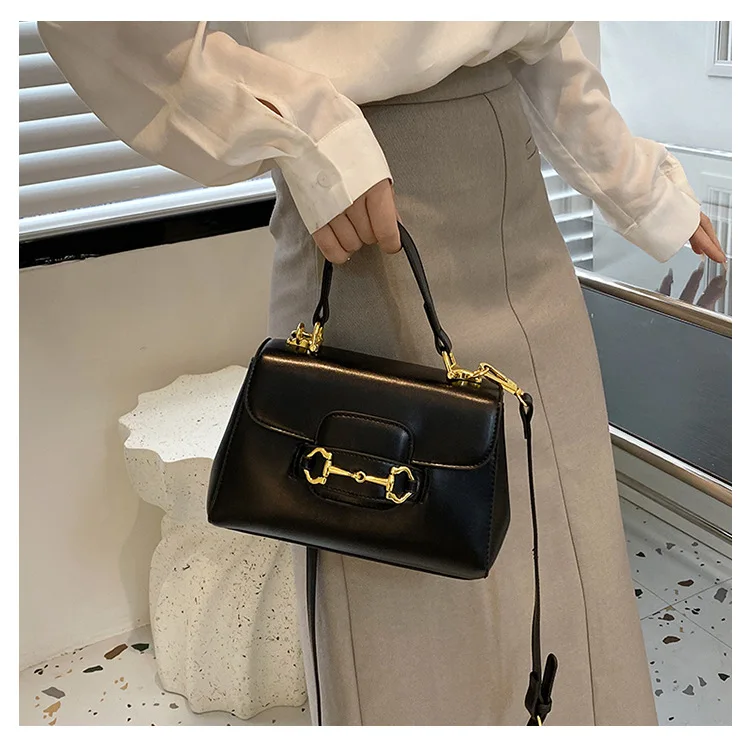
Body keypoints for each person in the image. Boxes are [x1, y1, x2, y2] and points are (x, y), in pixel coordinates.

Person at [38, 21, 726, 726]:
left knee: (572, 558)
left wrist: (644, 187)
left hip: (521, 210)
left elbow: (546, 43)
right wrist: (309, 135)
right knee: (401, 609)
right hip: (370, 211)